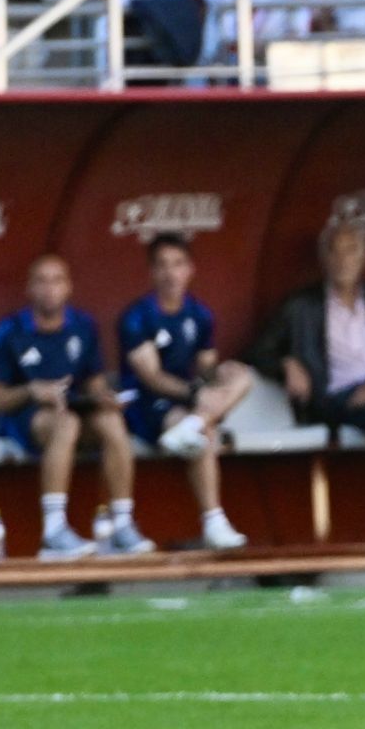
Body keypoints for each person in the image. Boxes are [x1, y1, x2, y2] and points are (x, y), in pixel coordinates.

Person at [248, 223, 365, 539]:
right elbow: (255, 351)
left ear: (363, 257)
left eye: (350, 251)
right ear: (323, 258)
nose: (343, 260)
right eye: (334, 252)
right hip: (335, 400)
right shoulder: (302, 305)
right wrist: (286, 364)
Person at [0, 255, 154, 560]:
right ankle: (54, 531)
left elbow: (94, 381)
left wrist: (103, 396)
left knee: (111, 421)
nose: (50, 289)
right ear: (29, 289)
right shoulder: (11, 330)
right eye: (42, 281)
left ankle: (123, 523)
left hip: (73, 409)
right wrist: (32, 390)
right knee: (66, 423)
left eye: (57, 280)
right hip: (26, 417)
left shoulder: (83, 325)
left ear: (69, 287)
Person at [117, 234, 253, 551]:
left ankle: (194, 424)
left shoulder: (200, 314)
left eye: (178, 264)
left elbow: (205, 368)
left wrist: (220, 375)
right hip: (146, 406)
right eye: (162, 266)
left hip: (190, 403)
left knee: (243, 376)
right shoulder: (136, 316)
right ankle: (213, 521)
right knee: (204, 429)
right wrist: (196, 395)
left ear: (190, 269)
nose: (170, 274)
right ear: (151, 273)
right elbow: (150, 376)